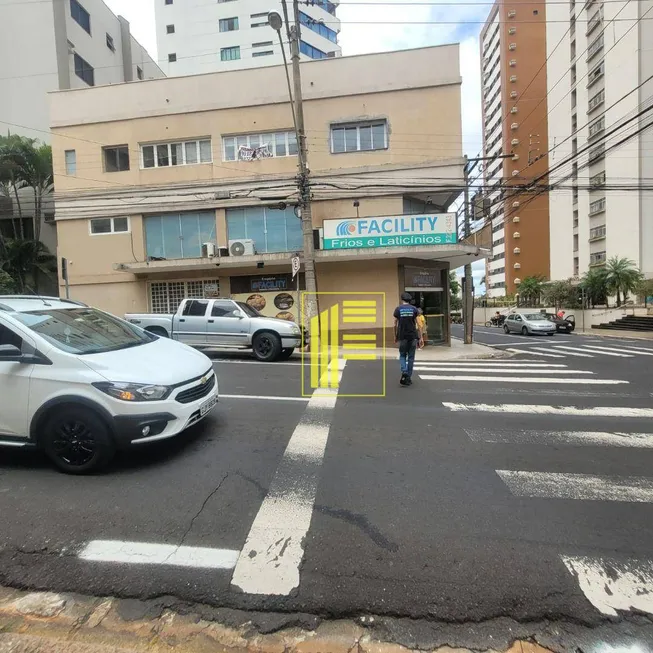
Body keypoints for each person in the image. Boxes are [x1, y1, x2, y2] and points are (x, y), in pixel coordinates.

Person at [393, 292, 423, 386]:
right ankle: (408, 378)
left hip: (402, 336)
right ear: (410, 300)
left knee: (402, 355)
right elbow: (419, 324)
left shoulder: (398, 309)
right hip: (413, 337)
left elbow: (395, 324)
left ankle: (404, 371)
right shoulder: (414, 309)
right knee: (411, 357)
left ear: (402, 300)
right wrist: (421, 337)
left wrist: (395, 336)